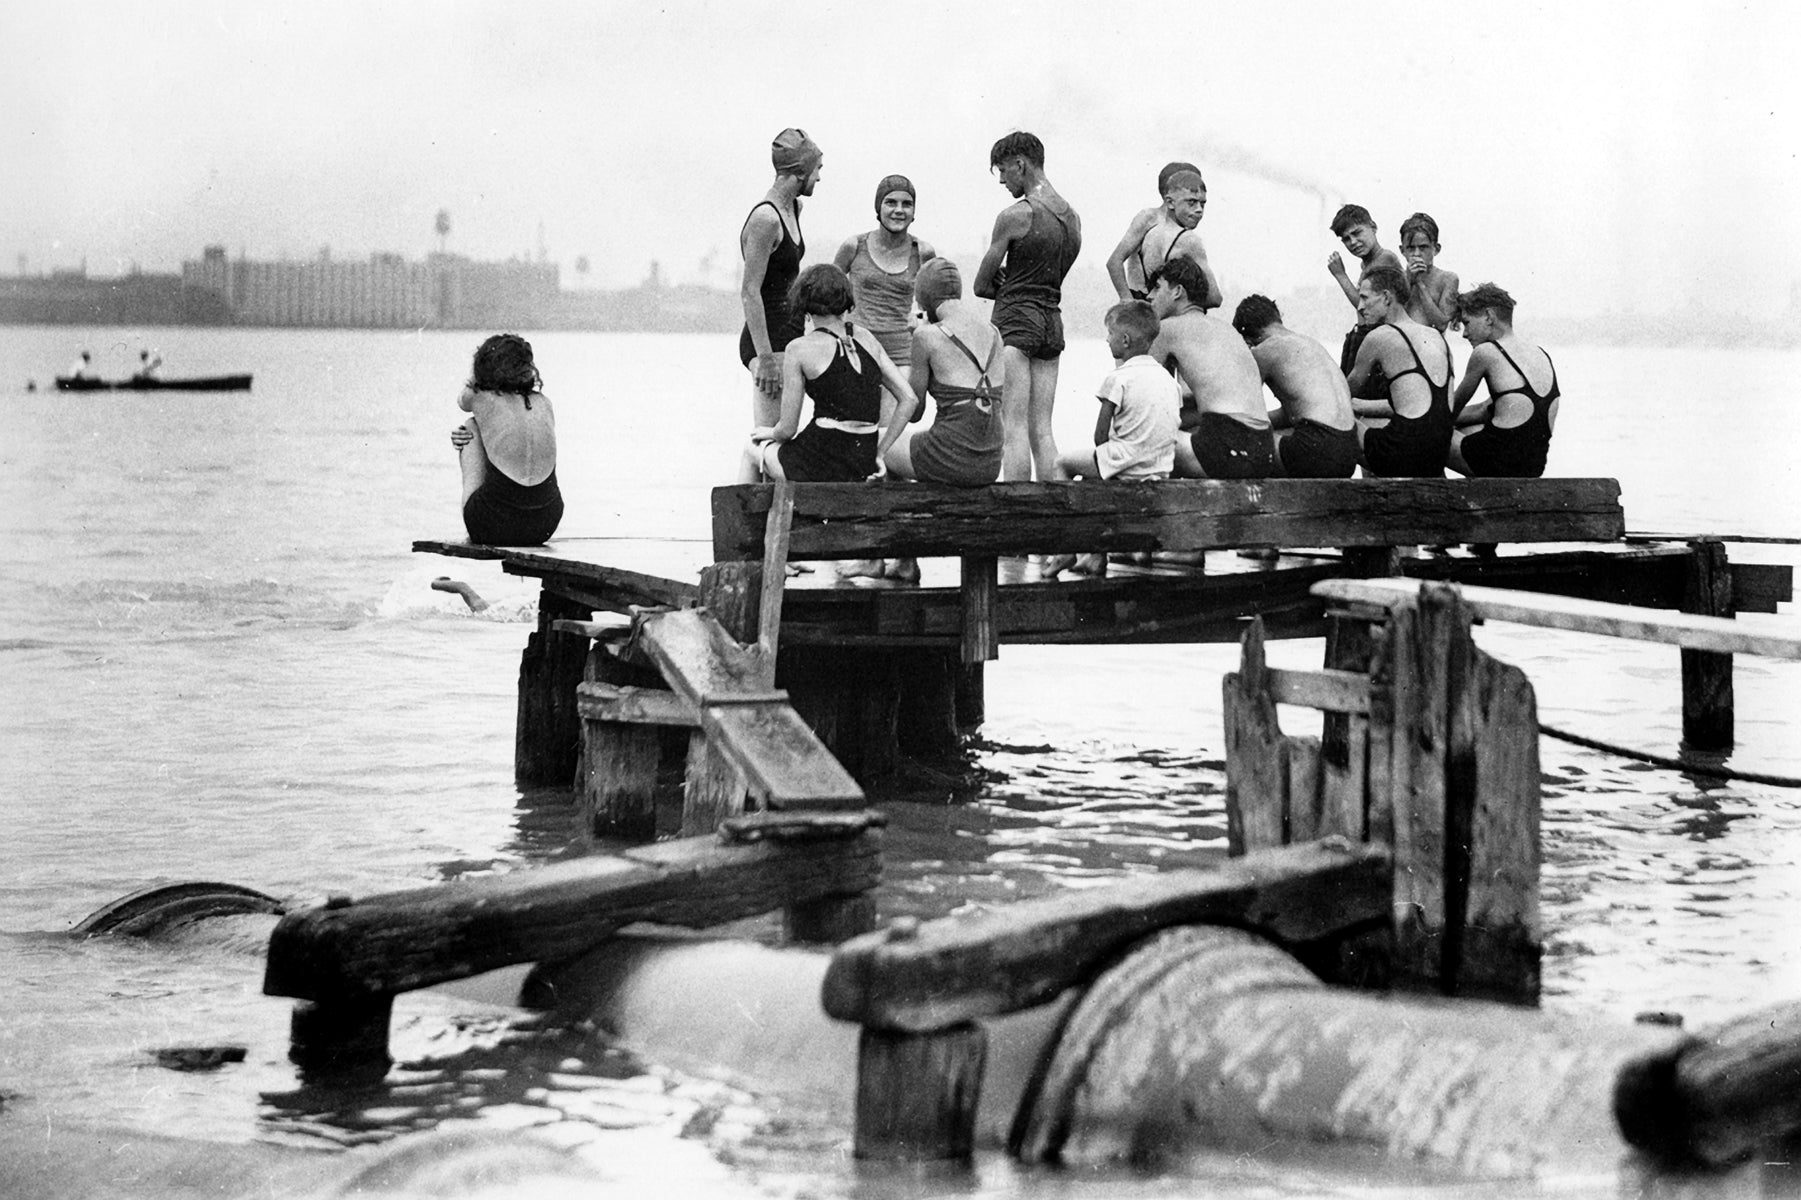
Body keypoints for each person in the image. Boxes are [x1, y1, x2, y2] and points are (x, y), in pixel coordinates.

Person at [877, 258, 1005, 584]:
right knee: (912, 445)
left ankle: (903, 558)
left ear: (924, 300)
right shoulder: (993, 332)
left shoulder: (927, 336)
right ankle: (904, 557)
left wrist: (913, 338)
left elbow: (914, 411)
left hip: (953, 456)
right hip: (990, 460)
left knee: (881, 446)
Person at [742, 264, 917, 487]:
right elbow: (909, 399)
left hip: (819, 462)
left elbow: (786, 430)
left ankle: (742, 519)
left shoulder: (798, 348)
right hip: (862, 459)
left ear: (802, 302)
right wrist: (880, 452)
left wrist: (768, 432)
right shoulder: (866, 337)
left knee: (751, 450)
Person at [975, 131, 1082, 481]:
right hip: (1052, 321)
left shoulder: (1016, 215)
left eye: (1004, 171)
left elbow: (980, 285)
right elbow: (1051, 278)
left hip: (1017, 322)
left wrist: (1009, 287)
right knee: (1043, 429)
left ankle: (1016, 507)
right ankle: (1054, 507)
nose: (1003, 181)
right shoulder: (1073, 218)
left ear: (1021, 164)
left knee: (1013, 426)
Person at [1045, 300, 1179, 576]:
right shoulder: (1169, 381)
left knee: (1062, 464)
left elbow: (1099, 436)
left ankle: (1065, 550)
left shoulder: (1118, 378)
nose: (1107, 340)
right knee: (1097, 472)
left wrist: (1109, 467)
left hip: (1126, 464)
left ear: (1125, 340)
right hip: (1158, 468)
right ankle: (1095, 557)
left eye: (1109, 334)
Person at [1147, 258, 1274, 480]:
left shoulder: (1166, 329)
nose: (1150, 296)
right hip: (1263, 448)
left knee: (1137, 441)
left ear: (1177, 291)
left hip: (1227, 446)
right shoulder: (1225, 330)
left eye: (1158, 287)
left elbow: (1145, 396)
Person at [739, 128, 823, 428]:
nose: (819, 179)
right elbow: (750, 292)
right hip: (768, 341)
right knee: (768, 436)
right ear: (800, 172)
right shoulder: (766, 219)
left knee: (784, 435)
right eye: (817, 170)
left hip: (790, 335)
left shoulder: (795, 208)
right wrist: (765, 360)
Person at [450, 333, 563, 546]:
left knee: (471, 425)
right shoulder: (545, 403)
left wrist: (476, 379)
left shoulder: (480, 397)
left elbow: (462, 401)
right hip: (545, 523)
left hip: (491, 525)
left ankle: (470, 521)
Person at [1232, 295, 1359, 478]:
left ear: (1248, 340)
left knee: (1240, 442)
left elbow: (1241, 410)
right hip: (1347, 453)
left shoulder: (1265, 350)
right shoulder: (1309, 344)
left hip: (1315, 451)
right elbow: (1295, 412)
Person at [1347, 266, 1455, 478]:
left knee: (1337, 419)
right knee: (1374, 424)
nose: (1360, 307)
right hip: (1437, 456)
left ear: (1387, 297)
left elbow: (1342, 393)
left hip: (1401, 457)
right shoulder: (1435, 336)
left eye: (1365, 298)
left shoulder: (1379, 337)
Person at [832, 174, 938, 385]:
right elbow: (827, 293)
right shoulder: (853, 246)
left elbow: (935, 306)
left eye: (907, 204)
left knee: (895, 417)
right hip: (856, 346)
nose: (899, 210)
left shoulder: (923, 252)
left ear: (914, 212)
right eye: (891, 202)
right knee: (858, 418)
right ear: (878, 208)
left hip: (901, 352)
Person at [1448, 283, 1560, 478]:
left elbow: (1451, 410)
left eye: (1467, 323)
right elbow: (1484, 410)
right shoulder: (1539, 353)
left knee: (1427, 434)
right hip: (1533, 467)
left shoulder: (1486, 352)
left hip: (1501, 464)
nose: (1465, 333)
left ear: (1489, 317)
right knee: (1467, 428)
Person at [1105, 162, 1220, 308]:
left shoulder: (1177, 228)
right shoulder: (1150, 218)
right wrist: (1127, 301)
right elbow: (1114, 261)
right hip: (1149, 303)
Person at [1326, 203, 1406, 377]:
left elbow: (1365, 307)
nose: (1353, 242)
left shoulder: (1385, 258)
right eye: (1346, 238)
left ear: (1373, 227)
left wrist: (1340, 275)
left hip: (1379, 342)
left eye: (1356, 233)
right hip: (1366, 339)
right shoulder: (1367, 264)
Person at [1399, 212, 1460, 331]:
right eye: (1411, 248)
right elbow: (1391, 318)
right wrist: (1408, 282)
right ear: (1402, 250)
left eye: (1423, 247)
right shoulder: (1395, 278)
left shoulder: (1447, 279)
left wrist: (1420, 284)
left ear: (1436, 249)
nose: (1416, 254)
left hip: (1431, 344)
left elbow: (1441, 324)